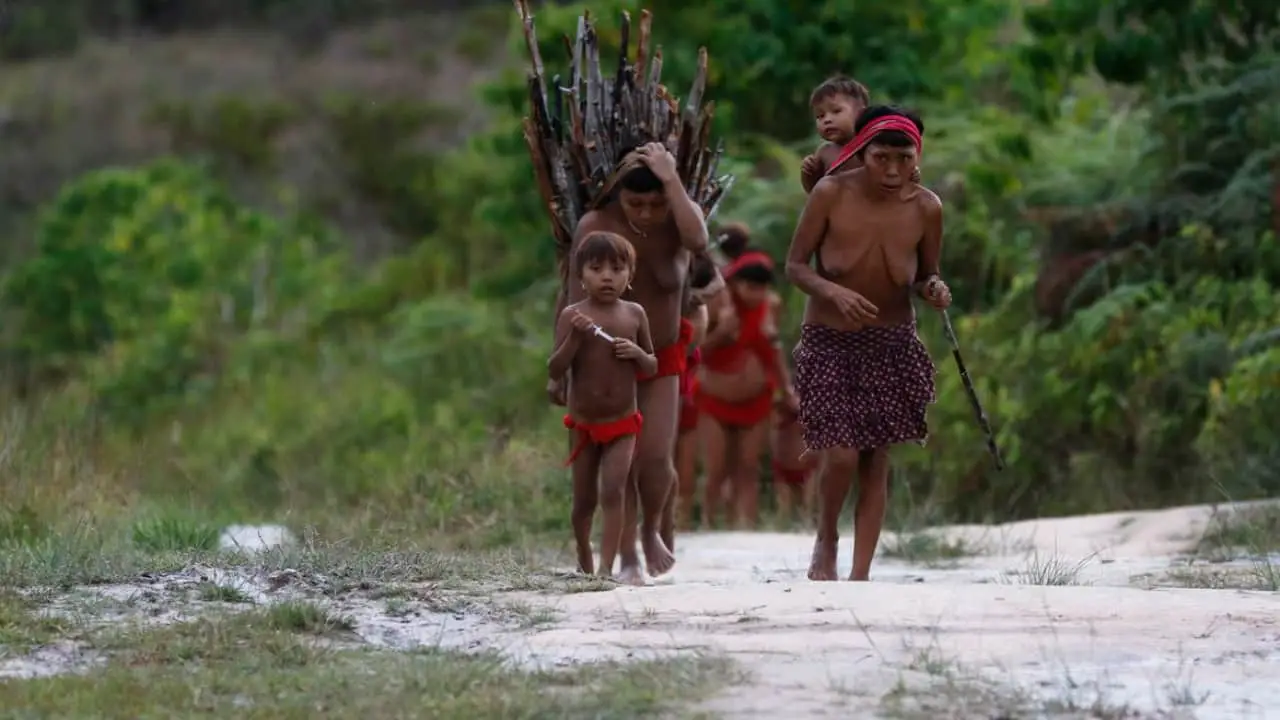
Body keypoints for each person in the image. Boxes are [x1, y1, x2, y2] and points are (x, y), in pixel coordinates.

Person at [784, 105, 951, 582]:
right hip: (829, 338)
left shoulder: (927, 207)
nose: (893, 169)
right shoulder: (830, 194)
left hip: (893, 341)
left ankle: (861, 576)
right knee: (839, 452)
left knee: (875, 458)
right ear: (862, 152)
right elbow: (795, 266)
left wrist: (935, 289)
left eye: (904, 157)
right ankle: (827, 536)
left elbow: (926, 273)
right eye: (881, 157)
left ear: (917, 156)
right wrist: (833, 291)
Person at [548, 142, 709, 584]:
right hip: (606, 359)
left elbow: (699, 241)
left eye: (656, 203)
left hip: (662, 356)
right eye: (635, 203)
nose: (646, 212)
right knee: (619, 462)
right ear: (617, 195)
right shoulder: (597, 225)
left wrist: (670, 178)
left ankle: (654, 529)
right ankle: (628, 556)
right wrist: (562, 365)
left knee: (655, 458)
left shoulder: (680, 222)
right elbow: (571, 295)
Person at [548, 231, 657, 579]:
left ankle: (607, 568)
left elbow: (652, 365)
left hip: (623, 423)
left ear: (630, 275)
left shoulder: (635, 314)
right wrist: (576, 338)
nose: (607, 276)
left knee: (613, 490)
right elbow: (555, 368)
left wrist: (638, 354)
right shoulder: (572, 316)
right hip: (583, 424)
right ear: (581, 277)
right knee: (584, 502)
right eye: (596, 268)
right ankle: (584, 554)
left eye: (617, 268)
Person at [696, 249, 796, 529]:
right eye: (750, 287)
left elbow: (773, 352)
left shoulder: (771, 306)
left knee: (748, 467)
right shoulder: (717, 305)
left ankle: (746, 526)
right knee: (716, 468)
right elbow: (696, 352)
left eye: (761, 287)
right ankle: (707, 522)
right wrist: (721, 333)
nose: (756, 293)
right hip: (715, 399)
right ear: (735, 283)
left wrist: (787, 390)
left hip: (757, 398)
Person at [800, 76, 919, 194]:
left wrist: (912, 176)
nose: (827, 120)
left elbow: (895, 180)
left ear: (861, 113)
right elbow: (814, 192)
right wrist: (808, 174)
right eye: (820, 116)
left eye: (836, 111)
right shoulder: (824, 152)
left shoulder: (873, 147)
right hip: (837, 210)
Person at [670, 254, 717, 533]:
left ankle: (683, 518)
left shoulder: (698, 301)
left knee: (683, 455)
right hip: (662, 374)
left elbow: (716, 283)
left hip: (684, 380)